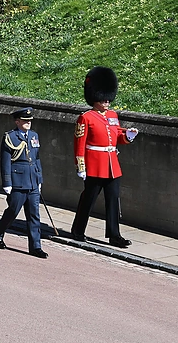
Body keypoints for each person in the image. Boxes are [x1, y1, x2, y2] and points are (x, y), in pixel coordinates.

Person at [70, 66, 139, 248]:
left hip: (112, 165)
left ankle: (114, 235)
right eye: (103, 98)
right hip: (94, 165)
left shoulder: (113, 115)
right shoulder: (86, 117)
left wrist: (128, 137)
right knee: (89, 199)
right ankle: (78, 230)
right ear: (95, 97)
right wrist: (81, 166)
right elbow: (79, 143)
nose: (107, 101)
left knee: (113, 200)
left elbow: (116, 138)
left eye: (108, 98)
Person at [0, 107, 47, 258]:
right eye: (25, 120)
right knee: (13, 211)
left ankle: (35, 247)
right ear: (17, 121)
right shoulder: (10, 137)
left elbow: (37, 158)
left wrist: (39, 179)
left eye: (30, 121)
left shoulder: (34, 135)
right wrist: (7, 182)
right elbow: (5, 161)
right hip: (18, 181)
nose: (28, 123)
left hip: (32, 181)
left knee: (34, 215)